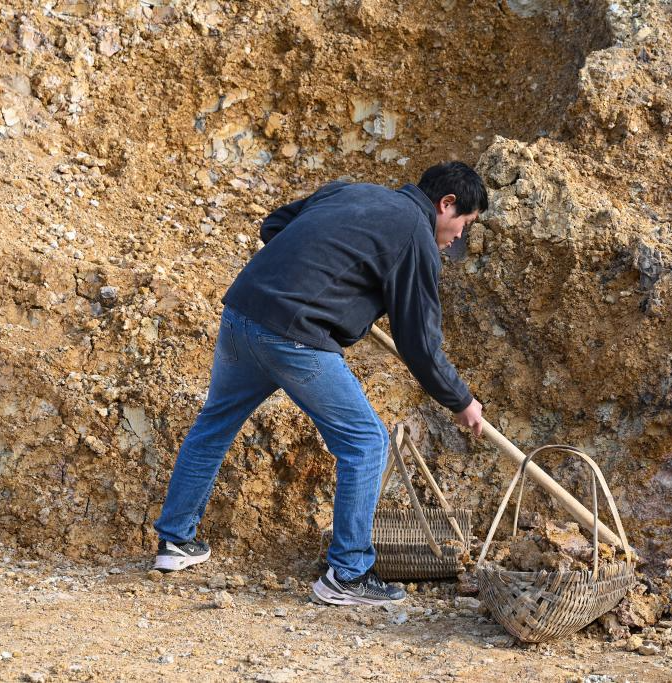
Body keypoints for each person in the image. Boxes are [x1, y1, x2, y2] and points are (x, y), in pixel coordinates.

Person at [151, 161, 487, 606]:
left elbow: (275, 226)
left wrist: (327, 279)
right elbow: (420, 342)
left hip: (243, 314)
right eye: (466, 223)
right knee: (366, 442)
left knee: (215, 424)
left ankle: (175, 541)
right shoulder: (415, 234)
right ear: (447, 204)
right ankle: (348, 573)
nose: (460, 236)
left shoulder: (351, 191)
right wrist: (460, 400)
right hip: (293, 336)